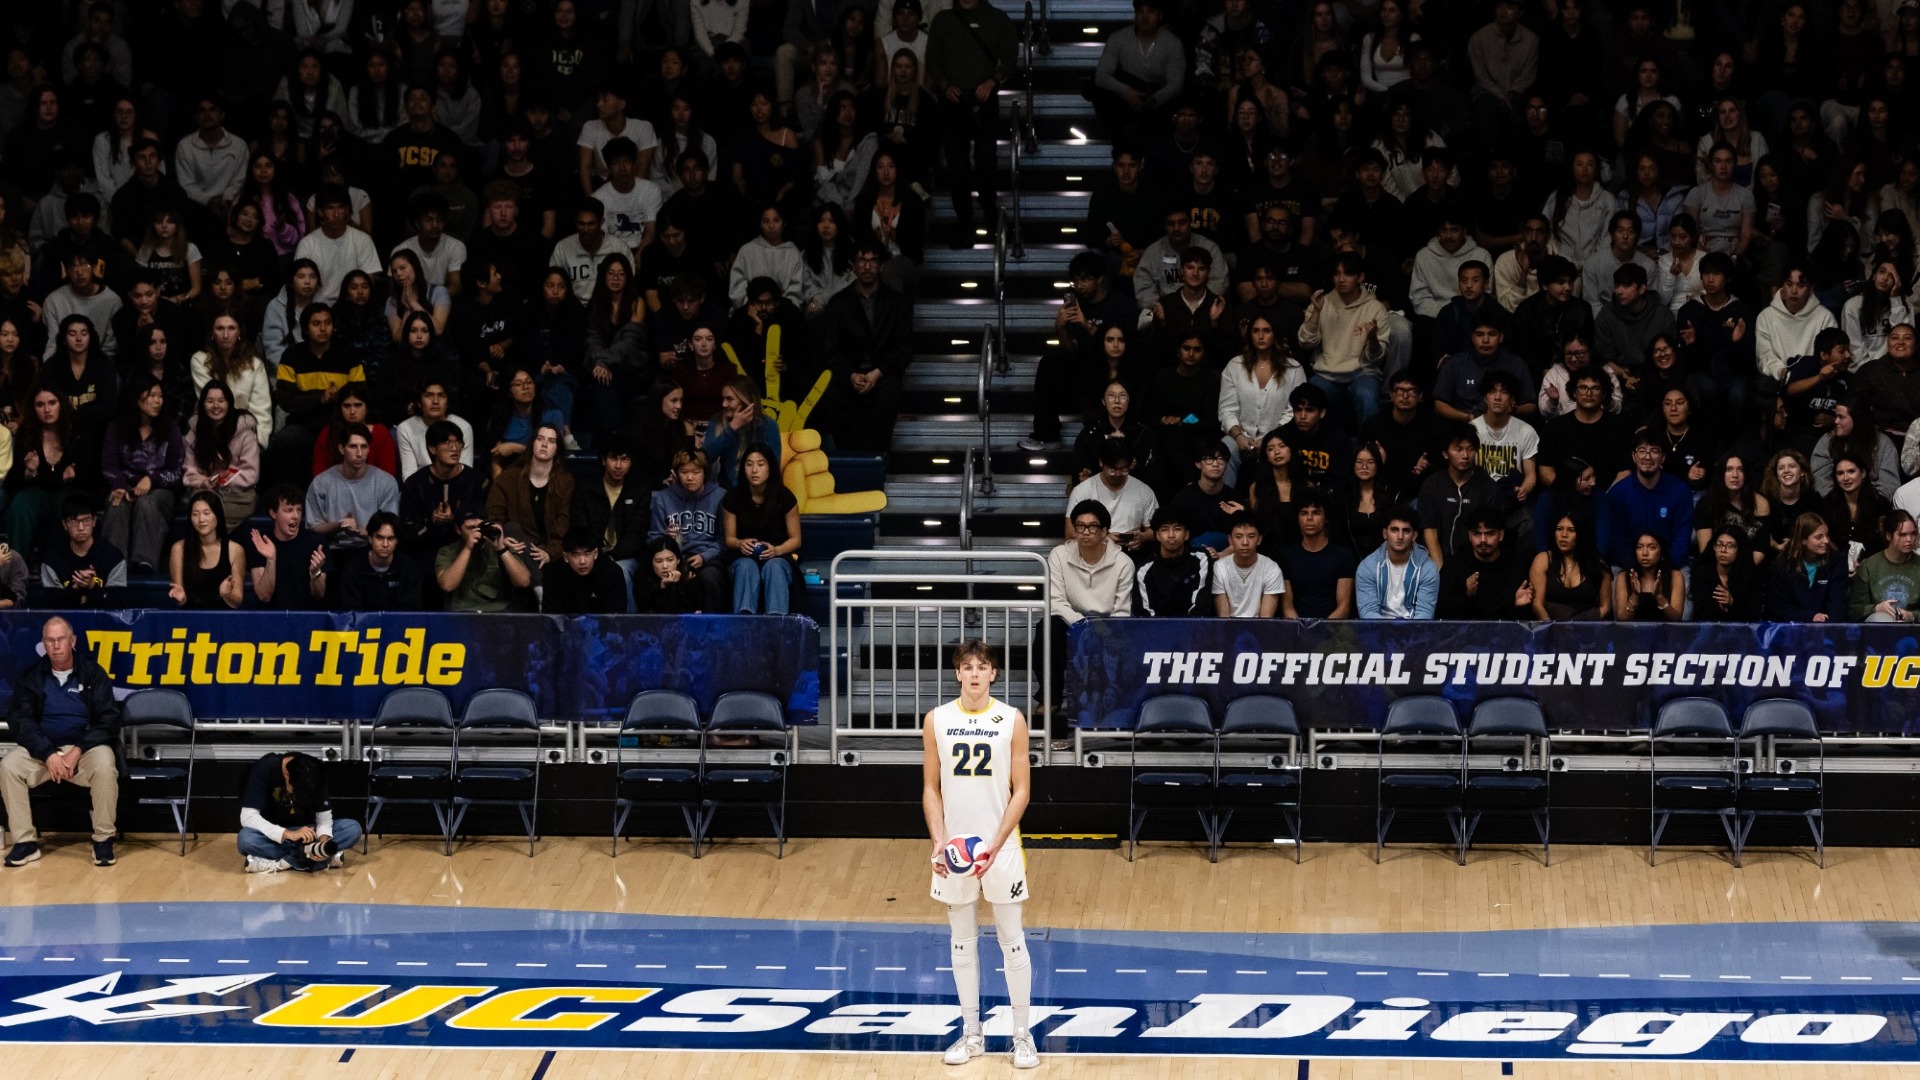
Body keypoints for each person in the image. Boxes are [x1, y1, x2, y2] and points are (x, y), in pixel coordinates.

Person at [923, 639, 1038, 1070]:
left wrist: (994, 843)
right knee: (961, 943)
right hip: (955, 850)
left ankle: (1023, 1036)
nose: (974, 673)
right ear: (957, 673)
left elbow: (1022, 790)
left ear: (993, 673)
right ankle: (972, 1035)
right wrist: (939, 840)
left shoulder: (1011, 719)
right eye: (967, 666)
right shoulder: (937, 719)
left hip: (1000, 848)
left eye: (982, 666)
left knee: (1012, 941)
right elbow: (930, 788)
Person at [1, 617, 122, 867]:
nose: (56, 646)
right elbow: (21, 721)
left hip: (84, 749)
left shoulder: (93, 672)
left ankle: (103, 840)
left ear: (72, 641)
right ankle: (25, 842)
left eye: (61, 639)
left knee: (105, 765)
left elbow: (108, 720)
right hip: (43, 750)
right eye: (50, 640)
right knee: (9, 766)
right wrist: (48, 753)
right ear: (43, 643)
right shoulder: (31, 676)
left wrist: (77, 751)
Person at [100, 376, 185, 574]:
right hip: (125, 485)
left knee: (148, 502)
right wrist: (119, 484)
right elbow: (109, 464)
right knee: (117, 503)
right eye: (152, 395)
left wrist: (151, 480)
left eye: (160, 396)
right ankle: (114, 565)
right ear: (136, 398)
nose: (157, 401)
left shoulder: (170, 428)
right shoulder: (117, 427)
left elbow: (176, 470)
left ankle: (144, 562)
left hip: (160, 490)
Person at [238, 751, 363, 873]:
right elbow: (248, 817)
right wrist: (288, 834)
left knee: (352, 829)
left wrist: (322, 843)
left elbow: (324, 816)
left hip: (310, 833)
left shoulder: (314, 771)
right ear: (286, 775)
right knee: (246, 839)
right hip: (275, 834)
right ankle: (310, 860)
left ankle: (284, 862)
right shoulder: (265, 767)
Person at [721, 444, 802, 614]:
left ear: (770, 467)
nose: (754, 470)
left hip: (778, 555)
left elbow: (796, 540)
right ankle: (744, 620)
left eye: (761, 464)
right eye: (749, 464)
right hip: (742, 557)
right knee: (746, 566)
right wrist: (739, 543)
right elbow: (729, 539)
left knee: (774, 567)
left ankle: (777, 621)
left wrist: (777, 550)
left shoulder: (785, 497)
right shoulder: (733, 497)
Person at [1598, 429, 1693, 571]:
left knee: (1684, 579)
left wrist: (1664, 568)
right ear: (1633, 456)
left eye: (1654, 451)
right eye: (1642, 451)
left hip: (1669, 566)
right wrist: (1636, 569)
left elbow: (1682, 537)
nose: (1647, 457)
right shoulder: (1617, 493)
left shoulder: (1680, 491)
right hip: (1627, 566)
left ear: (1663, 457)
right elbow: (1617, 541)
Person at [647, 450, 727, 611]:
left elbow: (724, 539)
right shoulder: (663, 498)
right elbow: (653, 537)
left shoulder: (720, 496)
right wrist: (666, 538)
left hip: (707, 557)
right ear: (676, 474)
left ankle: (712, 623)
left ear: (705, 473)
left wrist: (704, 556)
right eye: (684, 472)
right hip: (673, 557)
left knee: (710, 577)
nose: (690, 478)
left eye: (696, 472)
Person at [305, 424, 402, 554]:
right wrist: (339, 525)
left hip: (372, 549)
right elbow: (313, 528)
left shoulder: (386, 482)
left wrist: (364, 532)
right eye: (353, 446)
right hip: (333, 549)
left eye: (364, 447)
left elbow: (391, 527)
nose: (359, 453)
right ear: (341, 449)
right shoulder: (321, 483)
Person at [1417, 424, 1499, 570]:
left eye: (1470, 449)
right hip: (1437, 561)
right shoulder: (1432, 485)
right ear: (1445, 453)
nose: (1465, 455)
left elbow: (1489, 531)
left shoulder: (1487, 487)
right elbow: (1429, 528)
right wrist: (1441, 571)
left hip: (1475, 564)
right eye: (1458, 449)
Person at [183, 380, 259, 530]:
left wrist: (222, 480)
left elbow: (251, 473)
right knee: (201, 514)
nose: (216, 406)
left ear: (229, 403)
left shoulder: (245, 432)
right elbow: (190, 471)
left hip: (238, 495)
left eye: (221, 401)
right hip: (204, 491)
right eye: (210, 401)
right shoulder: (194, 432)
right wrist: (203, 482)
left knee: (212, 519)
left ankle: (213, 545)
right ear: (202, 404)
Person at [1437, 508, 1535, 619]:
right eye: (1477, 534)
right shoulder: (1454, 565)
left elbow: (1525, 620)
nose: (1483, 540)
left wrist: (1516, 606)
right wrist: (1467, 595)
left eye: (1490, 534)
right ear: (1469, 535)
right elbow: (1442, 616)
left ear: (1501, 535)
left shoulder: (1516, 565)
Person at [1064, 439, 1158, 552]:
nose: (1118, 474)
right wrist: (1103, 538)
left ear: (1131, 465)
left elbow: (1155, 529)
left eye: (1124, 469)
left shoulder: (1143, 490)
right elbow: (1070, 534)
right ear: (1101, 463)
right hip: (1093, 551)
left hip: (1131, 552)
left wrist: (1143, 537)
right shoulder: (1082, 491)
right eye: (1112, 469)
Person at [248, 484, 331, 610]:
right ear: (273, 513)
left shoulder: (316, 542)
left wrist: (315, 573)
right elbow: (264, 596)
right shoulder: (261, 543)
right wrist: (271, 560)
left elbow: (319, 594)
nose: (296, 516)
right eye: (289, 510)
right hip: (271, 616)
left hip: (307, 615)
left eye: (299, 510)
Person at [36, 495, 126, 609]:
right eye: (74, 522)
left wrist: (92, 586)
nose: (81, 527)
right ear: (64, 524)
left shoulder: (113, 557)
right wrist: (74, 588)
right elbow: (51, 605)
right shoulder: (52, 559)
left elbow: (118, 604)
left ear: (94, 521)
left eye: (86, 520)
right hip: (65, 619)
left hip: (102, 619)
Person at [1280, 493, 1356, 619]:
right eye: (1304, 513)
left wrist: (1322, 629)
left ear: (1326, 518)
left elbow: (1344, 607)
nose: (1310, 518)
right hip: (1296, 627)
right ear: (1297, 519)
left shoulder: (1343, 557)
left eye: (1316, 513)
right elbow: (1287, 607)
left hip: (1333, 627)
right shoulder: (1286, 557)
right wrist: (1300, 628)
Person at [1355, 506, 1439, 620]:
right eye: (1394, 530)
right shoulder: (1367, 567)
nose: (1400, 536)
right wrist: (1388, 629)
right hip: (1378, 628)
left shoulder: (1428, 568)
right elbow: (1368, 611)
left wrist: (1407, 630)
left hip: (1414, 628)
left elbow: (1425, 613)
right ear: (1385, 533)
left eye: (1406, 531)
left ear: (1414, 536)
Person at [167, 490, 245, 610]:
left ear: (217, 515)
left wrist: (226, 594)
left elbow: (237, 601)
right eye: (195, 514)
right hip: (190, 617)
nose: (201, 519)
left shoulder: (235, 550)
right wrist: (180, 598)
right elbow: (180, 599)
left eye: (207, 513)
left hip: (223, 617)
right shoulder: (179, 549)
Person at [1767, 513, 1849, 623]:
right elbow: (1779, 607)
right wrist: (1809, 617)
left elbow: (1838, 602)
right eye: (1819, 537)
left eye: (1827, 535)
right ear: (1803, 540)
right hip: (1792, 626)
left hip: (1827, 626)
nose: (1826, 541)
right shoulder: (1782, 565)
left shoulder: (1836, 561)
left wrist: (1828, 626)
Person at [337, 511, 425, 611]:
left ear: (397, 541)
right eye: (379, 537)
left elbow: (411, 611)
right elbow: (350, 611)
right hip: (363, 621)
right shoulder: (354, 568)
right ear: (370, 538)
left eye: (390, 538)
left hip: (399, 621)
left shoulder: (409, 568)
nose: (385, 544)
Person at [1530, 512, 1610, 621]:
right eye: (1559, 529)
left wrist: (1583, 624)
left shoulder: (1598, 564)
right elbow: (1537, 604)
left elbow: (1605, 607)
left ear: (1582, 534)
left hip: (1587, 626)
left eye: (1571, 530)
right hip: (1552, 626)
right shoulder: (1543, 560)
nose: (1564, 535)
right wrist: (1550, 625)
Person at [1133, 508, 1211, 617]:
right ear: (1157, 535)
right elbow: (1145, 615)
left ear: (1187, 534)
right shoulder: (1144, 571)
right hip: (1157, 627)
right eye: (1165, 529)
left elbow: (1200, 607)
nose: (1171, 535)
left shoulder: (1201, 559)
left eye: (1177, 529)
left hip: (1194, 626)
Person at [1851, 510, 1920, 622]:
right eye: (1902, 535)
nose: (1909, 539)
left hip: (1913, 627)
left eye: (1913, 534)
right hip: (1880, 625)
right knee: (1882, 618)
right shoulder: (1869, 566)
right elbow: (1854, 611)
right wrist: (1876, 608)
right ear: (1889, 536)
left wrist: (1912, 615)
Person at [1212, 512, 1284, 618]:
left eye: (1251, 536)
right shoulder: (1219, 568)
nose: (1245, 542)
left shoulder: (1271, 569)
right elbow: (1224, 616)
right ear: (1230, 540)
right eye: (1239, 537)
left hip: (1260, 627)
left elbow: (1266, 619)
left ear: (1259, 539)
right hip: (1228, 627)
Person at [544, 529, 629, 614]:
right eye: (576, 555)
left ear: (595, 553)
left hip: (603, 622)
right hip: (566, 622)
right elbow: (552, 615)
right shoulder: (553, 574)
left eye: (587, 554)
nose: (582, 561)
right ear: (566, 557)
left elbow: (616, 614)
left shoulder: (612, 572)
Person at [1690, 527, 1765, 622]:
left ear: (1740, 549)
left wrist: (1732, 602)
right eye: (1719, 544)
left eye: (1731, 546)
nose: (1723, 550)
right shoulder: (1702, 573)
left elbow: (1753, 615)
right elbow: (1701, 613)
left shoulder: (1750, 576)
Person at [1613, 531, 1686, 622]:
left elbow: (1676, 619)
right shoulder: (1624, 577)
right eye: (1639, 547)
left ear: (1662, 551)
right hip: (1634, 630)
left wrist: (1659, 596)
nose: (1644, 553)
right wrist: (1634, 595)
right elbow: (1622, 619)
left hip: (1665, 630)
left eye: (1652, 547)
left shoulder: (1675, 576)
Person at [636, 536, 705, 613]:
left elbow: (686, 612)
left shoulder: (689, 575)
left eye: (670, 560)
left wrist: (673, 589)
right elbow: (650, 614)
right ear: (651, 562)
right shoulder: (643, 578)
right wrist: (663, 588)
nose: (665, 566)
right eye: (659, 561)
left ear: (678, 560)